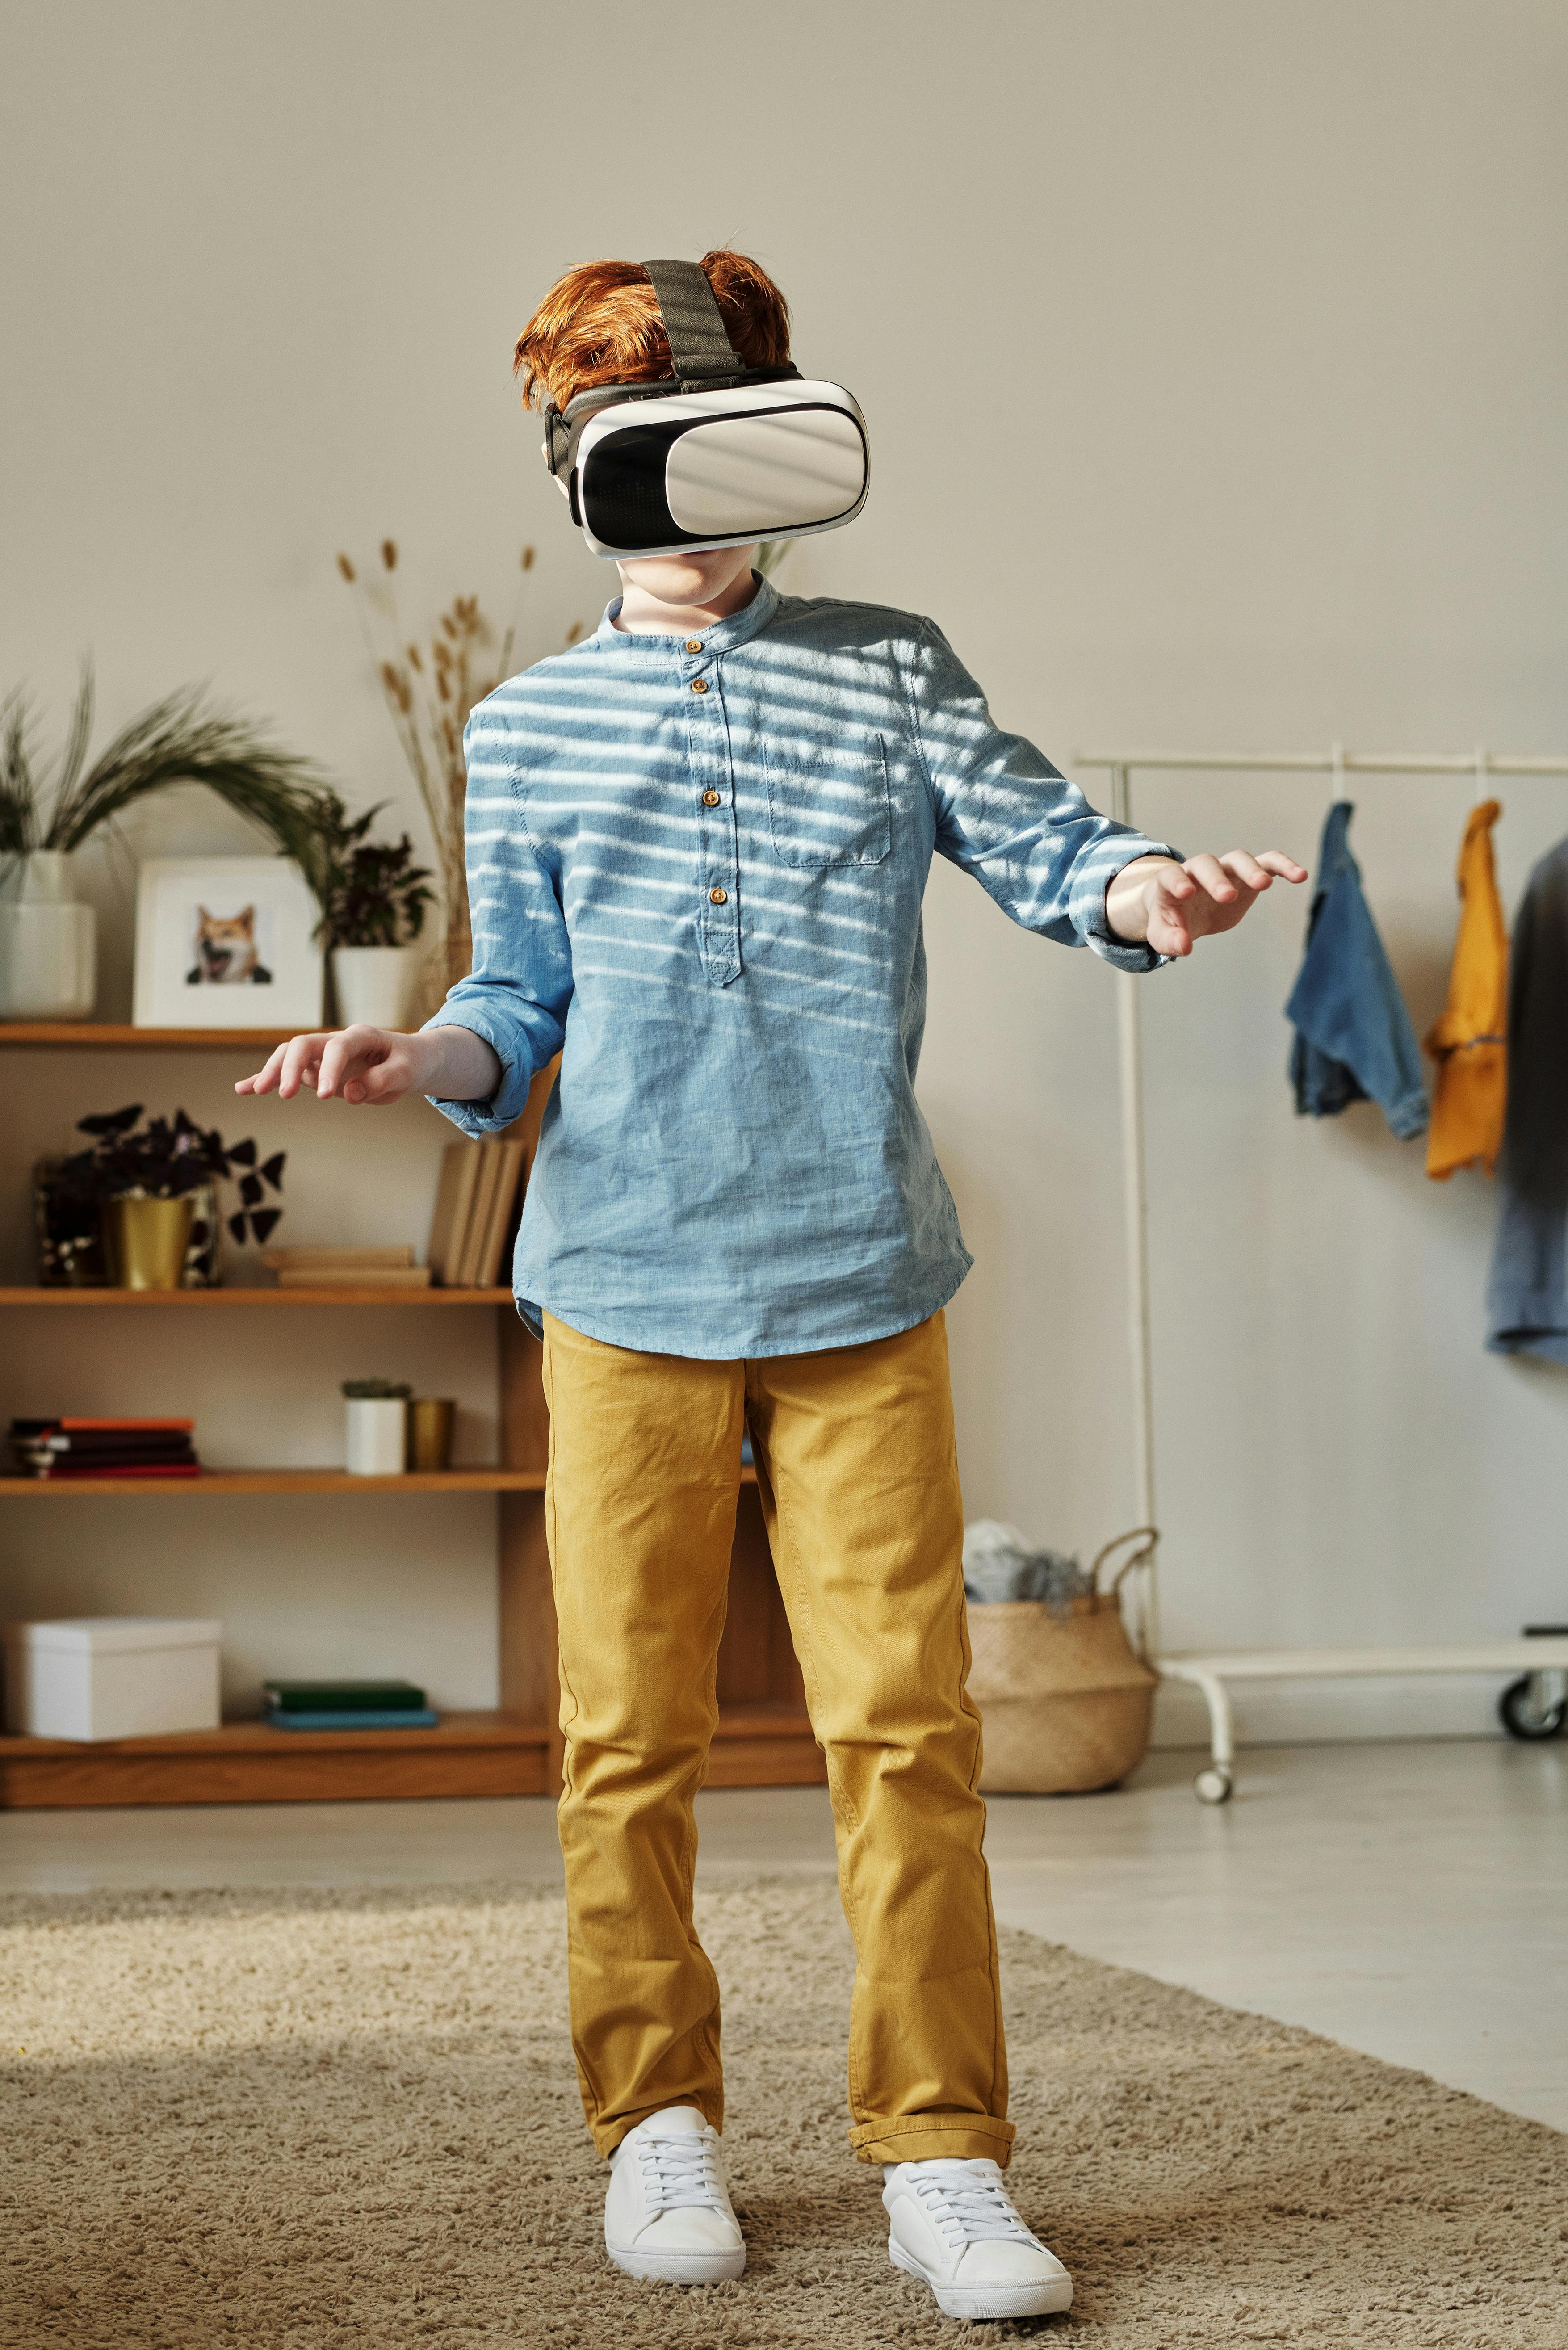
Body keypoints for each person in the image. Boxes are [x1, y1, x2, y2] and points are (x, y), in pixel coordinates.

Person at [240, 249, 1305, 2325]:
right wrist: (416, 1059)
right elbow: (510, 1005)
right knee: (625, 1733)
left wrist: (1146, 888)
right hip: (621, 1284)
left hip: (856, 1278)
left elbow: (1041, 841)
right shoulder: (523, 720)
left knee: (904, 1733)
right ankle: (655, 2120)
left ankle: (945, 2153)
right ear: (591, 463)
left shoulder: (892, 663)